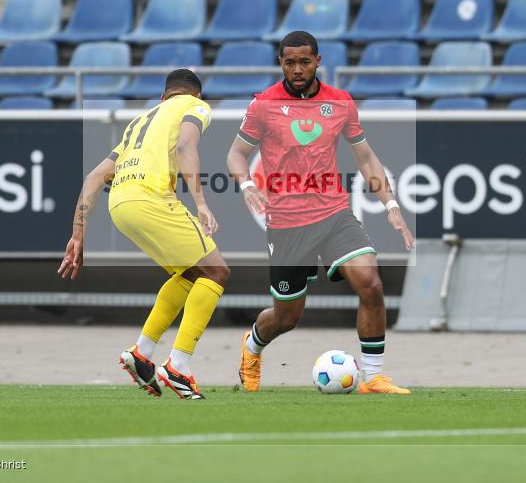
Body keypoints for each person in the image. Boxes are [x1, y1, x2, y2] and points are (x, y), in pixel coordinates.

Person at [227, 31, 416, 394]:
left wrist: (390, 204)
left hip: (334, 214)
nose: (297, 69)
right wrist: (248, 185)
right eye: (289, 62)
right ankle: (251, 348)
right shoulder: (263, 105)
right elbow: (235, 154)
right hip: (286, 223)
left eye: (304, 61)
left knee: (371, 283)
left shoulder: (341, 103)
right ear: (280, 63)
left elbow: (365, 157)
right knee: (287, 317)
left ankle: (373, 377)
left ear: (318, 60)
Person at [59, 69, 229, 400]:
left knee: (191, 274)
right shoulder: (195, 107)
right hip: (152, 199)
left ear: (163, 97)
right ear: (195, 95)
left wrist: (78, 234)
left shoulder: (139, 121)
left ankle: (141, 352)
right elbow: (185, 145)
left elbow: (93, 179)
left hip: (120, 205)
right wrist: (201, 202)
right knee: (217, 272)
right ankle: (178, 365)